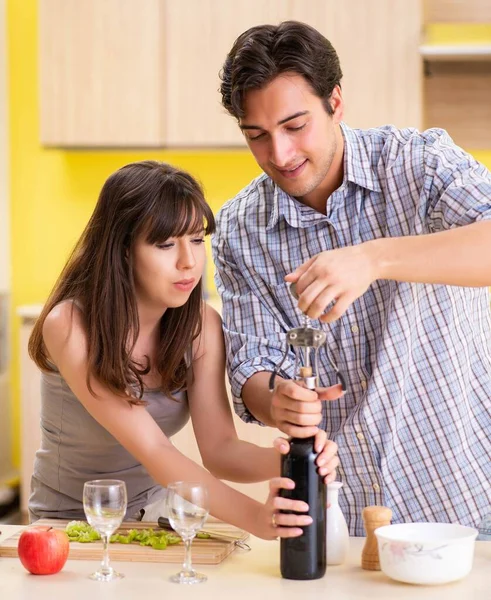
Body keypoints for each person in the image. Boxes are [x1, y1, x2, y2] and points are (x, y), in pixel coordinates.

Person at [213, 21, 491, 536]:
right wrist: (275, 398)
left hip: (467, 497)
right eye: (256, 136)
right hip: (344, 518)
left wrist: (374, 259)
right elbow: (251, 367)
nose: (280, 155)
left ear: (335, 102)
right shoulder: (238, 229)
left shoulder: (418, 164)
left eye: (295, 126)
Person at [27, 160, 339, 540]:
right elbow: (156, 450)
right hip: (69, 520)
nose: (189, 262)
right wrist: (256, 518)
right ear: (123, 250)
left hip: (155, 512)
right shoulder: (71, 325)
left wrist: (295, 458)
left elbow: (221, 450)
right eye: (165, 244)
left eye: (196, 239)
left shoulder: (200, 327)